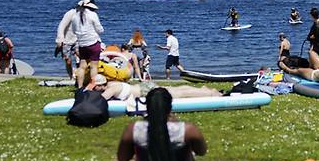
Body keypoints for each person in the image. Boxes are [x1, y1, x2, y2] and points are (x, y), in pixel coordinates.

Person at [91, 74, 222, 101]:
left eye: (94, 87)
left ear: (100, 85)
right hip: (144, 87)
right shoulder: (112, 83)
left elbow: (100, 100)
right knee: (176, 90)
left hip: (145, 90)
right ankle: (203, 90)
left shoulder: (110, 89)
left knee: (178, 94)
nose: (94, 89)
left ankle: (209, 94)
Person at [56, 0, 92, 79]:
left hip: (78, 40)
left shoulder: (87, 14)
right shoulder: (71, 13)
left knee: (81, 57)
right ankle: (71, 76)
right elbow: (62, 26)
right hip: (66, 41)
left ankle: (81, 76)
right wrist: (59, 39)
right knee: (68, 61)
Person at [71, 0, 103, 86]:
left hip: (82, 44)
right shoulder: (93, 15)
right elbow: (100, 30)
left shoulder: (74, 16)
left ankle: (80, 87)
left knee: (82, 66)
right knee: (94, 66)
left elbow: (74, 31)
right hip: (93, 43)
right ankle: (92, 86)